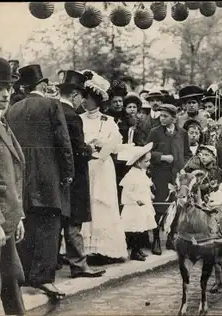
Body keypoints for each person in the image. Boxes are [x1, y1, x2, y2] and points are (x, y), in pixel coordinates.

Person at [6, 64, 74, 299]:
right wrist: (68, 172)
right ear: (43, 86)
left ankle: (24, 276)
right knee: (49, 226)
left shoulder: (12, 110)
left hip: (22, 175)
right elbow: (63, 142)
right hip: (48, 175)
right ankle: (44, 279)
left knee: (28, 224)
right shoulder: (51, 105)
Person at [56, 70, 106, 279]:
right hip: (75, 176)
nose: (82, 102)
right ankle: (79, 265)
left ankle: (56, 262)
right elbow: (76, 149)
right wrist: (90, 150)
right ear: (75, 95)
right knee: (74, 222)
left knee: (58, 221)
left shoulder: (53, 110)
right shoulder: (73, 117)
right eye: (81, 97)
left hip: (57, 175)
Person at [0, 57, 26, 316]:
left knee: (12, 280)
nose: (5, 94)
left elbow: (11, 173)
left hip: (8, 219)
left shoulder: (0, 121)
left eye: (8, 88)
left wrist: (18, 216)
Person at [79, 70, 129, 264]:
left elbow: (117, 143)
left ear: (97, 101)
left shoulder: (108, 121)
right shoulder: (79, 119)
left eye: (88, 98)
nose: (85, 101)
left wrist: (103, 144)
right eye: (84, 98)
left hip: (102, 167)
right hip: (86, 166)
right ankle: (85, 249)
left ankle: (104, 249)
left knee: (102, 204)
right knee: (87, 204)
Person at [147, 103, 191, 252]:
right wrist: (162, 157)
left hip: (176, 176)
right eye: (161, 116)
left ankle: (171, 238)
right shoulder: (155, 132)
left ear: (174, 118)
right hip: (160, 175)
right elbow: (147, 152)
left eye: (165, 116)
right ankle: (156, 239)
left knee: (176, 207)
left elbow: (187, 153)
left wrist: (182, 165)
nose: (162, 119)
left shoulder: (182, 133)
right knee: (159, 207)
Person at [120, 142, 158, 261]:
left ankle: (138, 250)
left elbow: (145, 186)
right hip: (134, 207)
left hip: (143, 206)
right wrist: (136, 200)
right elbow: (127, 192)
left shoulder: (142, 173)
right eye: (146, 161)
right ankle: (134, 252)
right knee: (135, 230)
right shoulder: (131, 175)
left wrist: (150, 194)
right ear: (138, 162)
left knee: (142, 228)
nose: (148, 164)